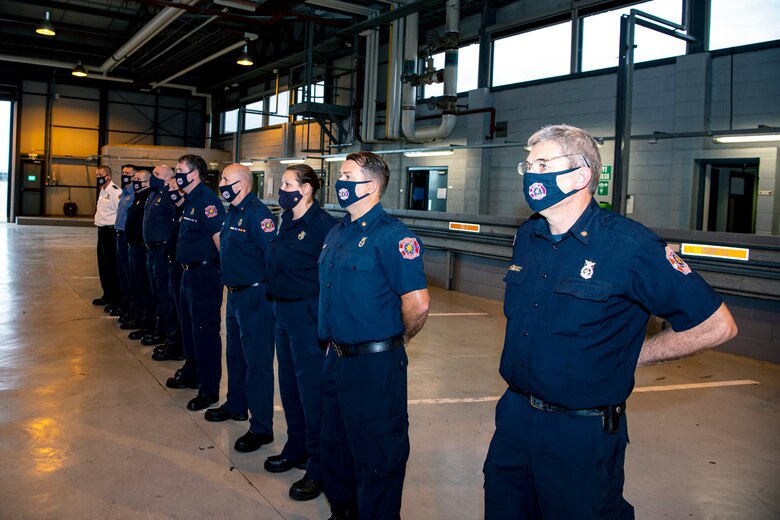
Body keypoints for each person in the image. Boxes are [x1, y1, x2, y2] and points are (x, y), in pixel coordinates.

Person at [483, 124, 738, 520]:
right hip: (515, 418)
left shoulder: (631, 247)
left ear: (581, 176)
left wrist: (632, 354)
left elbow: (717, 325)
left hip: (580, 433)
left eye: (544, 163)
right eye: (528, 165)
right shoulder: (528, 236)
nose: (531, 173)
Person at [318, 151, 430, 520]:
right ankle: (343, 511)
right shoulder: (338, 231)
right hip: (335, 359)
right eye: (341, 175)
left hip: (375, 364)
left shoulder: (393, 236)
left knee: (379, 453)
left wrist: (398, 339)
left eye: (348, 176)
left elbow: (417, 304)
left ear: (372, 185)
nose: (340, 183)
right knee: (335, 445)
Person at [265, 164, 337, 501]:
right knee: (290, 385)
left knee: (312, 392)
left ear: (306, 189)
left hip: (307, 317)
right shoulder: (286, 219)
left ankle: (319, 466)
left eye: (288, 183)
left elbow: (331, 280)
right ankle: (296, 447)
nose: (282, 189)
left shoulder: (324, 227)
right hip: (282, 311)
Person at [206, 163, 277, 452]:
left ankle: (262, 428)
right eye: (222, 177)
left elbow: (273, 258)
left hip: (256, 298)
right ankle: (236, 404)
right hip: (235, 296)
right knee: (235, 355)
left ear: (243, 184)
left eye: (226, 178)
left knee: (258, 362)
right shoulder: (232, 212)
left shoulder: (259, 215)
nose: (221, 182)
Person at [168, 154, 225, 411]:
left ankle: (209, 389)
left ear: (193, 175)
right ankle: (192, 373)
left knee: (205, 332)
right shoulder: (190, 201)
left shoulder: (207, 201)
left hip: (204, 275)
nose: (176, 174)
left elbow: (219, 241)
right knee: (189, 328)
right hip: (187, 273)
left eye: (179, 170)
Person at [143, 165, 182, 357]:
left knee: (165, 295)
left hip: (162, 251)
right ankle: (160, 330)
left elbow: (175, 223)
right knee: (156, 292)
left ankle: (167, 334)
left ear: (168, 178)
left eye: (157, 175)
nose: (153, 178)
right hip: (152, 250)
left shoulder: (169, 196)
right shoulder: (154, 194)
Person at [124, 170, 156, 342]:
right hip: (133, 247)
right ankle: (137, 316)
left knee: (144, 288)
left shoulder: (146, 198)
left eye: (139, 179)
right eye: (134, 179)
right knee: (135, 284)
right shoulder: (138, 197)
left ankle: (147, 323)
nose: (135, 182)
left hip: (141, 249)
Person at [93, 165, 122, 313]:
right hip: (101, 232)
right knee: (103, 266)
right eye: (97, 174)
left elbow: (120, 213)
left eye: (101, 174)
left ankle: (115, 298)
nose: (98, 177)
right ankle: (107, 294)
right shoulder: (102, 191)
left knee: (111, 267)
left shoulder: (115, 191)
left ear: (109, 176)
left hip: (111, 233)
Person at [115, 164, 137, 328]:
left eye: (128, 174)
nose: (125, 176)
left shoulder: (135, 195)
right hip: (119, 235)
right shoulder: (124, 193)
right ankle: (125, 304)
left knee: (130, 275)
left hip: (127, 238)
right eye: (123, 173)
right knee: (122, 273)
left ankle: (131, 308)